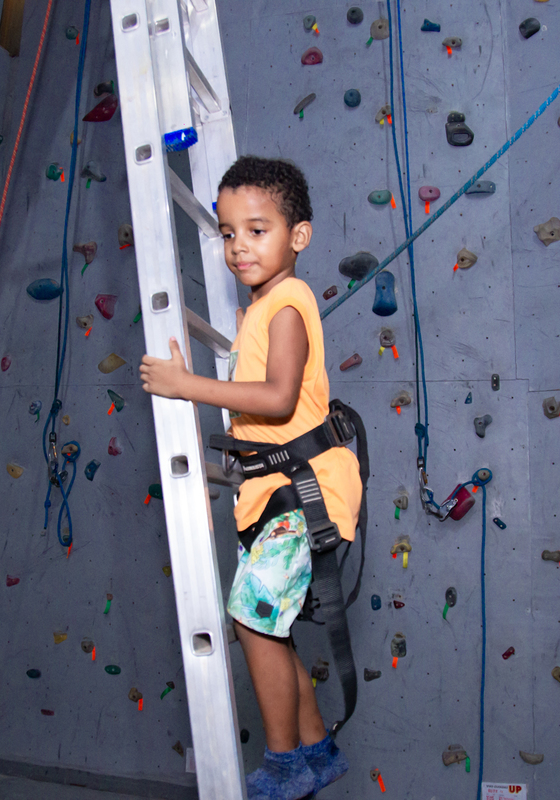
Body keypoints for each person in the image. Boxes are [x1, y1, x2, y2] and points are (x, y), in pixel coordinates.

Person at [141, 156, 361, 800]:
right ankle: (316, 748)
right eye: (229, 232)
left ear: (299, 236)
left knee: (253, 620)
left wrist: (186, 386)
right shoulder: (262, 309)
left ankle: (286, 762)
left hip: (305, 492)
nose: (239, 246)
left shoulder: (288, 304)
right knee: (266, 623)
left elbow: (279, 397)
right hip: (275, 492)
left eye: (258, 231)